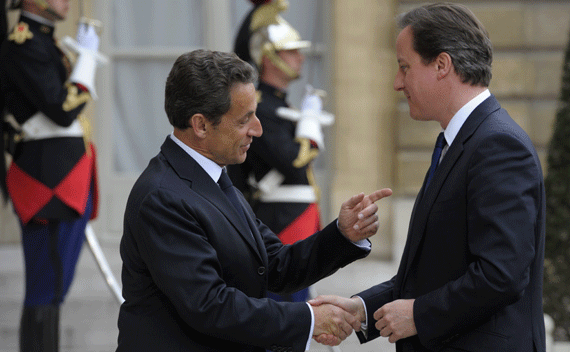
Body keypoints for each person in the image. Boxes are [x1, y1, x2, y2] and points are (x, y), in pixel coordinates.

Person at [116, 49, 393, 352]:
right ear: (201, 125)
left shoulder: (216, 180)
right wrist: (309, 318)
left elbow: (274, 265)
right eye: (244, 119)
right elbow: (209, 306)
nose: (257, 129)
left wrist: (342, 234)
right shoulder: (163, 197)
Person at [310, 3, 546, 351]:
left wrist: (419, 315)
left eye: (404, 67)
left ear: (441, 65)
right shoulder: (457, 141)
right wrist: (361, 310)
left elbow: (502, 276)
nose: (396, 82)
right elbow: (432, 275)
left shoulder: (497, 146)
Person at [0, 0, 102, 350]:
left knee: (53, 288)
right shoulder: (23, 44)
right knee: (46, 288)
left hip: (63, 174)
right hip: (49, 182)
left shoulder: (45, 41)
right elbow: (61, 110)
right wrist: (87, 61)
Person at [229, 0, 329, 304]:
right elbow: (293, 162)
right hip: (281, 219)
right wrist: (310, 128)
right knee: (284, 308)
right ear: (270, 58)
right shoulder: (262, 108)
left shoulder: (280, 106)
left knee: (298, 303)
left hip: (296, 216)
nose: (300, 57)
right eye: (292, 51)